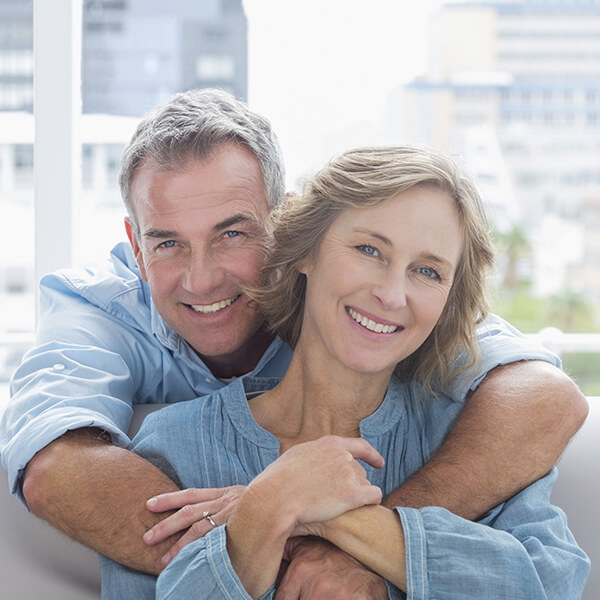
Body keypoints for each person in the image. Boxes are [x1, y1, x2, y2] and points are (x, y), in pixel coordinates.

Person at [0, 90, 587, 594]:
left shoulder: (461, 430)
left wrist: (344, 527)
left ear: (283, 229)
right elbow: (53, 463)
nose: (201, 279)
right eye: (368, 251)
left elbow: (551, 567)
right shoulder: (165, 430)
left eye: (231, 233)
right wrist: (265, 512)